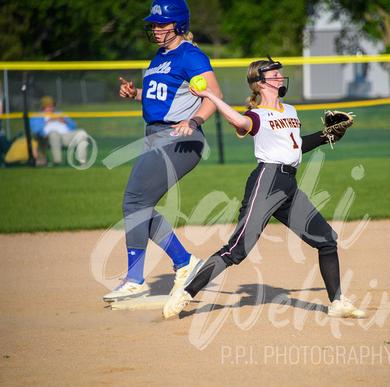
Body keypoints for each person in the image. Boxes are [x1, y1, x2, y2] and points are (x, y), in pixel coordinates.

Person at [162, 57, 366, 320]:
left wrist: (326, 136)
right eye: (275, 75)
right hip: (267, 181)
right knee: (237, 249)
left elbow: (294, 146)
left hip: (288, 185)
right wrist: (210, 94)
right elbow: (239, 122)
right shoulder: (256, 115)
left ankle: (337, 302)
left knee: (326, 240)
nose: (281, 78)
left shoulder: (290, 110)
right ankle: (185, 293)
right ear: (260, 83)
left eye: (280, 74)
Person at [102, 0, 223, 303]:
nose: (156, 30)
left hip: (180, 137)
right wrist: (136, 94)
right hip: (156, 134)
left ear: (179, 25)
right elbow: (163, 96)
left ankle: (136, 279)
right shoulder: (159, 57)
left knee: (134, 201)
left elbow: (214, 95)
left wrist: (195, 120)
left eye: (162, 24)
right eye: (153, 25)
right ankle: (183, 262)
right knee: (139, 204)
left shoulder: (190, 55)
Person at [29, 96, 89, 167]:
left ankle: (82, 162)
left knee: (81, 132)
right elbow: (35, 129)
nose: (51, 108)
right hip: (48, 138)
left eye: (52, 106)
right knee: (54, 133)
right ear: (43, 107)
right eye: (49, 106)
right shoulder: (37, 116)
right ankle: (57, 162)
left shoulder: (59, 113)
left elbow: (73, 126)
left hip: (66, 135)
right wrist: (48, 121)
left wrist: (65, 122)